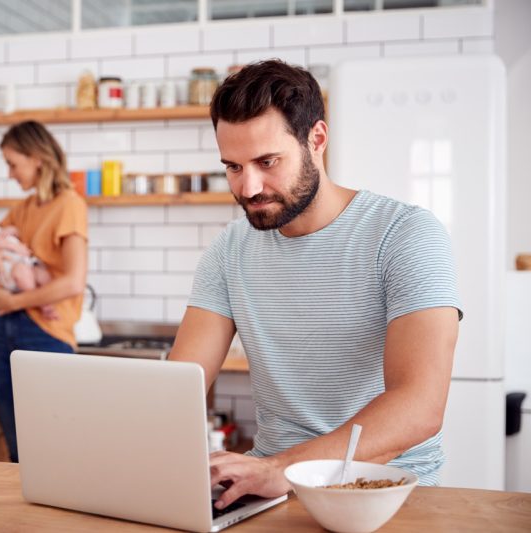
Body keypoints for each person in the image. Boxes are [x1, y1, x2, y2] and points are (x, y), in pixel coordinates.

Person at [167, 60, 461, 510]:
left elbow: (420, 405)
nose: (249, 187)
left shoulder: (405, 234)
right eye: (233, 167)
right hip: (271, 493)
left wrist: (278, 468)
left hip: (385, 491)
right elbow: (179, 384)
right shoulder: (229, 250)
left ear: (317, 139)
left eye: (267, 162)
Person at [0, 120, 88, 463]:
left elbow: (73, 283)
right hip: (6, 329)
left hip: (44, 334)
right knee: (17, 449)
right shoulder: (24, 208)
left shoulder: (69, 204)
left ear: (36, 158)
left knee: (52, 449)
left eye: (12, 163)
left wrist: (13, 300)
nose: (9, 173)